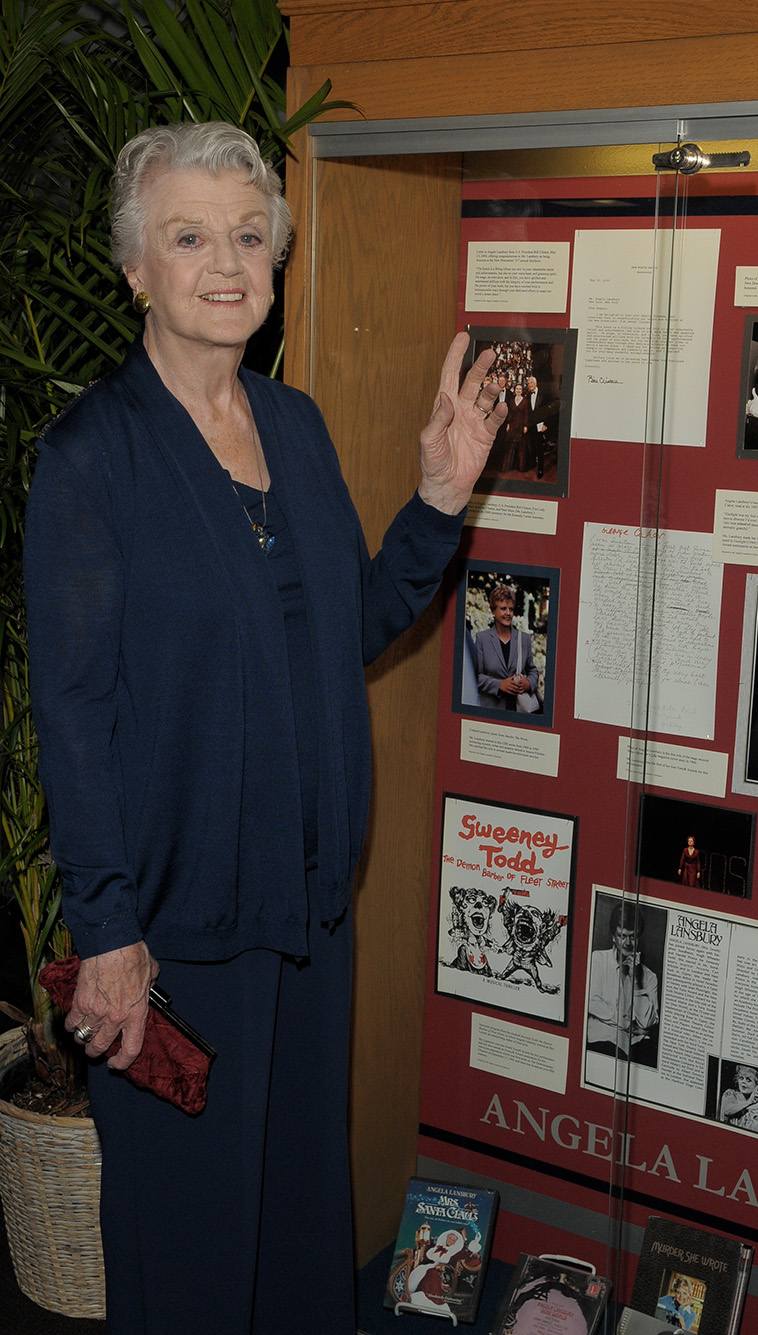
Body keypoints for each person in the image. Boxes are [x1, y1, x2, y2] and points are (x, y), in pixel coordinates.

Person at [23, 121, 507, 1335]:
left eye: (250, 237)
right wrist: (110, 935)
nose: (226, 263)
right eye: (189, 237)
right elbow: (73, 715)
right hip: (177, 945)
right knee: (187, 1256)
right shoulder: (93, 459)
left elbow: (345, 630)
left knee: (299, 1233)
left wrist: (439, 501)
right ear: (136, 267)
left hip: (306, 915)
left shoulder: (293, 427)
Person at [586, 901, 659, 1063]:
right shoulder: (597, 959)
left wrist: (636, 981)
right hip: (602, 1038)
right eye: (622, 936)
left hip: (636, 1045)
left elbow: (648, 1022)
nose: (627, 943)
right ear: (613, 936)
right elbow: (591, 1002)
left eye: (633, 937)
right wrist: (626, 1023)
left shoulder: (650, 977)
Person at [474, 584, 540, 712]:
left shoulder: (524, 639)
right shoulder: (482, 639)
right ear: (493, 611)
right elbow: (476, 676)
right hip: (490, 709)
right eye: (503, 608)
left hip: (518, 710)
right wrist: (499, 685)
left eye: (511, 609)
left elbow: (533, 671)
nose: (508, 613)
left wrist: (528, 683)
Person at [719, 1065, 758, 1138]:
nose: (743, 1082)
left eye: (748, 1080)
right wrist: (749, 1102)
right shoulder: (731, 1094)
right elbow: (727, 1110)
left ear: (757, 1085)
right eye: (741, 1078)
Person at [525, 373, 558, 478]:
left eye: (531, 383)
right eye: (528, 383)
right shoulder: (527, 395)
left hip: (540, 425)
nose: (529, 385)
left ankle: (540, 469)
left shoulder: (544, 395)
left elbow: (549, 411)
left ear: (536, 383)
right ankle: (533, 465)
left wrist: (546, 424)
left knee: (540, 449)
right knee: (532, 447)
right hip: (531, 425)